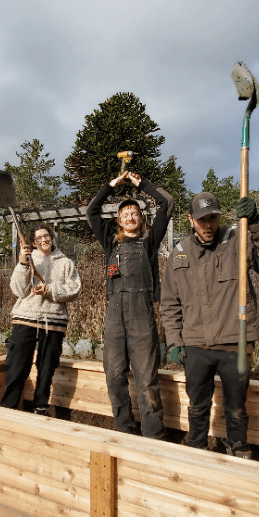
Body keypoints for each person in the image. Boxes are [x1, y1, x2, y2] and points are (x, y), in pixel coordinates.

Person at [161, 192, 259, 458]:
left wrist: (256, 223)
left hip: (234, 342)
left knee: (236, 406)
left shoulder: (236, 242)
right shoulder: (179, 254)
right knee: (197, 405)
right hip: (195, 345)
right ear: (191, 220)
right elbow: (169, 304)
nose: (208, 226)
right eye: (202, 220)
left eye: (213, 218)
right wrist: (174, 340)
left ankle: (238, 451)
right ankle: (197, 450)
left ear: (219, 218)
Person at [87, 170, 174, 439]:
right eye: (124, 214)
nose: (129, 216)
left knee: (147, 381)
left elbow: (167, 203)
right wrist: (111, 184)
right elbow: (92, 211)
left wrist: (140, 183)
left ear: (141, 218)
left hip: (141, 317)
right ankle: (124, 431)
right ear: (119, 221)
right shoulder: (110, 242)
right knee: (114, 379)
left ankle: (154, 437)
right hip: (114, 319)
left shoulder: (150, 242)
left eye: (134, 212)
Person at [0, 223, 81, 415]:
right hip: (25, 318)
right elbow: (18, 290)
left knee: (46, 369)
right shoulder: (27, 260)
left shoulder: (66, 263)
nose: (44, 240)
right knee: (17, 366)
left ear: (51, 238)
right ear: (33, 243)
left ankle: (40, 408)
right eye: (39, 238)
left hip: (54, 321)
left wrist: (50, 289)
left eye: (46, 236)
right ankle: (7, 410)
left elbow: (74, 290)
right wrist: (21, 264)